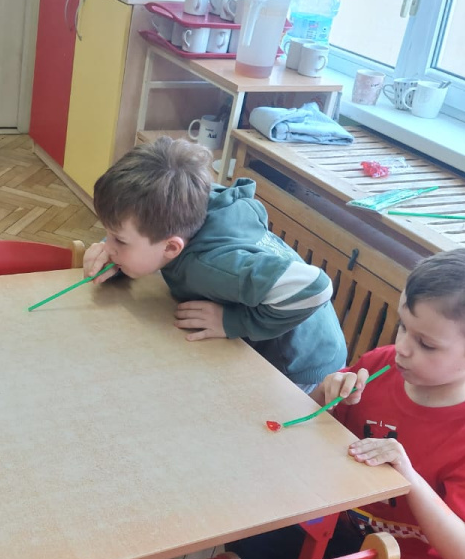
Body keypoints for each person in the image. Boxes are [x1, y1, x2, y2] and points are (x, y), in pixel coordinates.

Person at [228, 248, 465, 559]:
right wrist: (326, 393)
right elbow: (308, 430)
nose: (402, 348)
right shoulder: (380, 365)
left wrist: (408, 477)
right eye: (403, 326)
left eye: (426, 344)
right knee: (248, 547)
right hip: (344, 529)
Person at [83, 136, 347, 391]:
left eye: (119, 240)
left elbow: (315, 287)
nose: (109, 245)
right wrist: (120, 255)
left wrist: (233, 322)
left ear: (171, 247)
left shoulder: (213, 264)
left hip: (302, 359)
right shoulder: (185, 203)